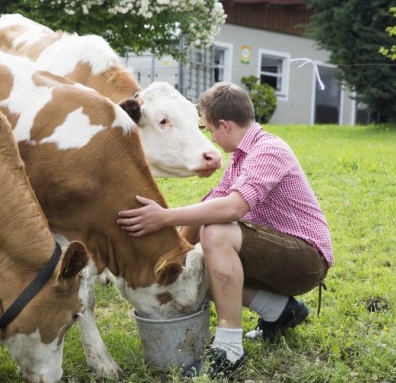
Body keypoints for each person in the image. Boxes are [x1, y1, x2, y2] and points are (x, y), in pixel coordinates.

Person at [117, 81, 333, 379]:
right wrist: (175, 257)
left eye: (209, 130)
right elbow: (209, 205)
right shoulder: (242, 158)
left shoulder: (269, 150)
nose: (212, 139)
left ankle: (229, 348)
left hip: (306, 261)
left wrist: (163, 217)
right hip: (279, 255)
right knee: (198, 263)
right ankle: (281, 311)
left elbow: (231, 209)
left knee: (216, 233)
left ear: (224, 125)